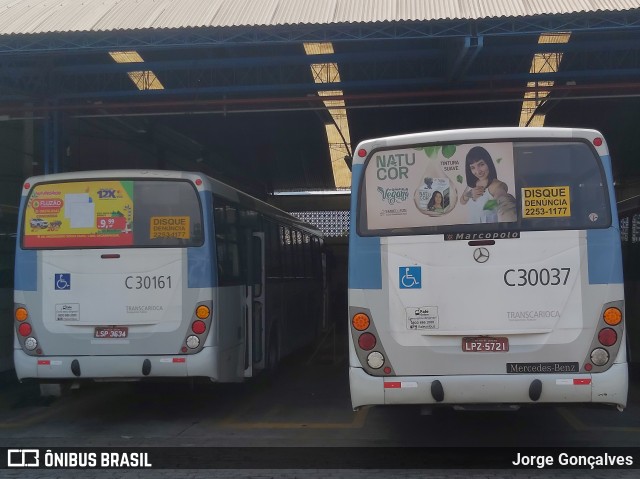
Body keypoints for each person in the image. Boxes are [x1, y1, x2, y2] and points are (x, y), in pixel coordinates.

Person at [460, 146, 516, 223]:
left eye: (481, 164)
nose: (478, 171)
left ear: (488, 163)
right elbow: (462, 201)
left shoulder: (497, 185)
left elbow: (504, 201)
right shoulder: (471, 184)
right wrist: (469, 194)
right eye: (473, 167)